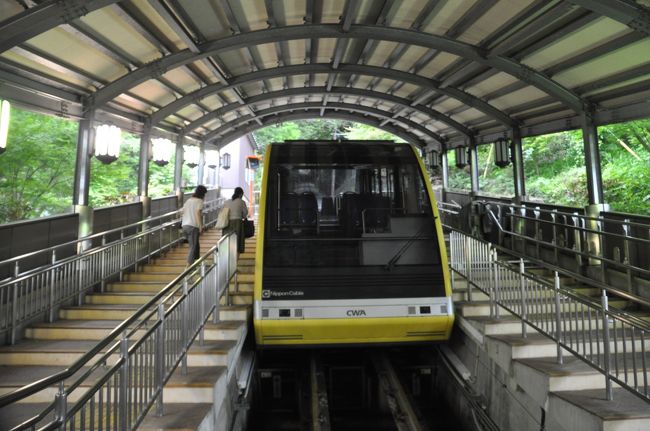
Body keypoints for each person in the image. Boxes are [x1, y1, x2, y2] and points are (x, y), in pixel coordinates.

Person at [181, 185, 207, 265]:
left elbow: (182, 211)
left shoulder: (189, 200)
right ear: (202, 194)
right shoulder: (199, 201)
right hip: (193, 226)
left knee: (196, 244)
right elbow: (198, 213)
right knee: (193, 246)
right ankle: (189, 266)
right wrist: (201, 226)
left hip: (185, 225)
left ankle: (196, 262)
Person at [223, 187, 248, 253]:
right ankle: (235, 261)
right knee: (238, 242)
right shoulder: (242, 202)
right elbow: (245, 214)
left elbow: (223, 212)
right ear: (240, 194)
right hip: (238, 223)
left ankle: (227, 259)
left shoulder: (226, 202)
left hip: (227, 223)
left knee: (227, 241)